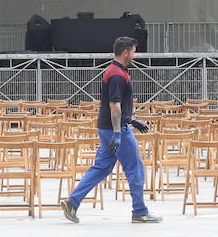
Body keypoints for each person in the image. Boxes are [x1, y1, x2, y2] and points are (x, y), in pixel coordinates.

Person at [60, 37, 162, 224]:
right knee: (135, 168)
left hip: (108, 127)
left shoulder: (115, 71)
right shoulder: (116, 74)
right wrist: (118, 132)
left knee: (101, 168)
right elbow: (114, 105)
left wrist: (130, 119)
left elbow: (117, 106)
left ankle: (72, 202)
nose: (134, 55)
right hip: (116, 130)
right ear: (126, 52)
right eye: (133, 51)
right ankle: (139, 212)